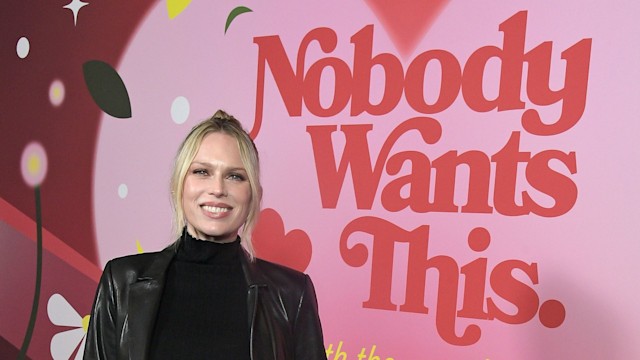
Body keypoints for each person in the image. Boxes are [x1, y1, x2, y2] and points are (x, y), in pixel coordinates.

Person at [84, 110, 327, 359]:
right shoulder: (121, 283)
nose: (218, 189)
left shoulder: (292, 295)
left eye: (235, 176)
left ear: (254, 194)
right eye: (202, 172)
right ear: (178, 185)